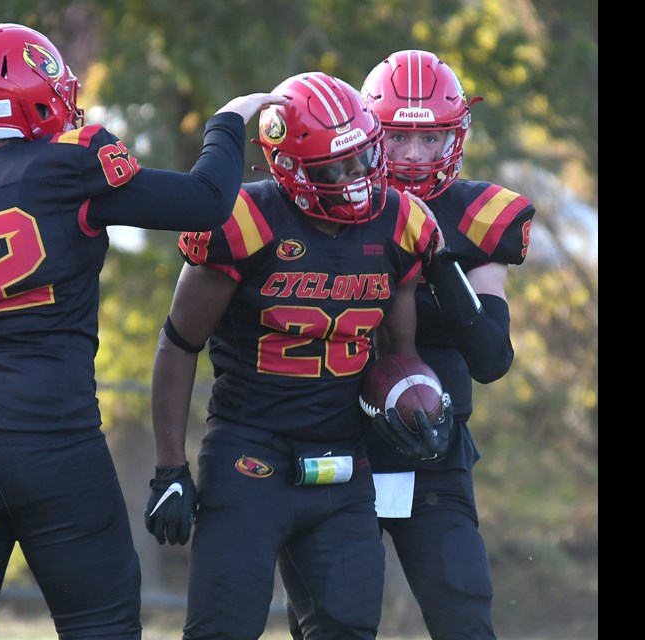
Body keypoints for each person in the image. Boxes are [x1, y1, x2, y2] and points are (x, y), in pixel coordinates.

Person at [0, 22, 287, 640]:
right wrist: (226, 120)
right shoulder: (68, 166)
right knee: (103, 626)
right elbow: (206, 201)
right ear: (34, 96)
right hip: (50, 442)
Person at [144, 71, 451, 640]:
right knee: (223, 628)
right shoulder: (245, 219)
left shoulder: (402, 223)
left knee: (351, 627)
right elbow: (179, 342)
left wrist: (411, 404)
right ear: (288, 168)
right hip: (248, 456)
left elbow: (397, 357)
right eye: (334, 168)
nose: (356, 179)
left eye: (362, 158)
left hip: (342, 462)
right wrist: (169, 465)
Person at [288, 50, 537, 639]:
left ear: (457, 136)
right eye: (399, 137)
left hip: (432, 446)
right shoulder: (320, 200)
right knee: (333, 626)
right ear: (369, 131)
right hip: (333, 445)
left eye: (432, 139)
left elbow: (491, 358)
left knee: (464, 617)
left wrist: (433, 250)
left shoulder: (478, 216)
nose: (414, 156)